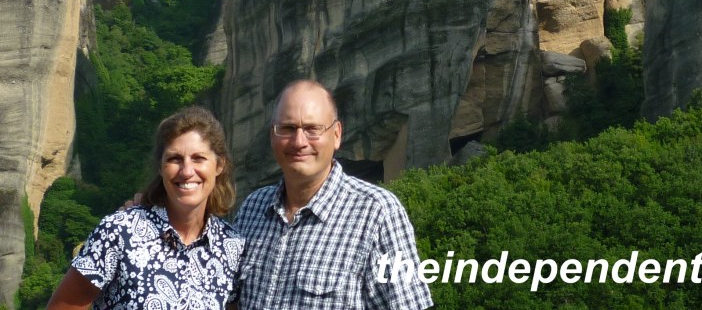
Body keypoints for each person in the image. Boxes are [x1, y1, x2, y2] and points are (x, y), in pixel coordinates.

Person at [233, 80, 433, 310]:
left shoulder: (377, 212)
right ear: (272, 135)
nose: (299, 142)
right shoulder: (252, 209)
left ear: (336, 134)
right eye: (287, 128)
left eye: (312, 129)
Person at [46, 106, 244, 310]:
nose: (186, 171)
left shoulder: (231, 247)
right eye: (174, 159)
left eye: (198, 158)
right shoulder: (120, 232)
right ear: (160, 167)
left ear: (219, 165)